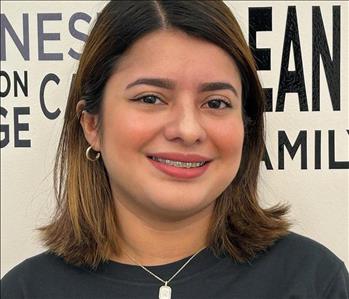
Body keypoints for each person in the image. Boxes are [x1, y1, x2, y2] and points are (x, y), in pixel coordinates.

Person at [1, 1, 348, 298]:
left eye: (215, 102)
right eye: (150, 98)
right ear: (93, 125)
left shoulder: (313, 280)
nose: (187, 129)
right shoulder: (25, 291)